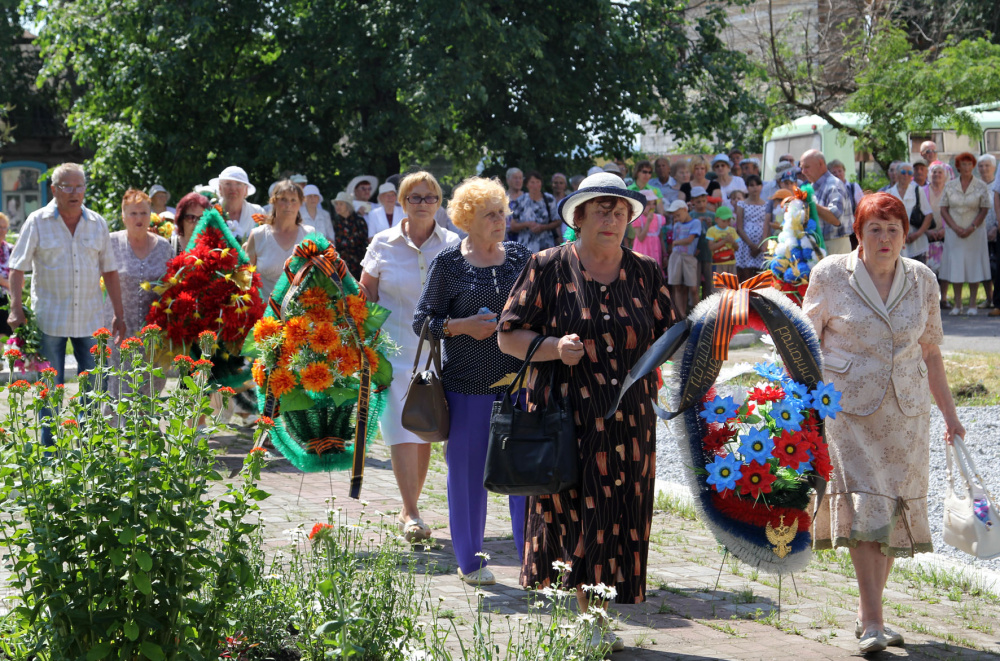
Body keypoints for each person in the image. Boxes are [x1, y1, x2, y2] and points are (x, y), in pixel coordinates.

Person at [497, 172, 674, 653]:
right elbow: (508, 336)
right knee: (575, 511)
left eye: (620, 212)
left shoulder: (645, 271)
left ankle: (597, 614)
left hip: (629, 418)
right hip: (565, 414)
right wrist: (554, 347)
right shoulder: (547, 266)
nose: (611, 220)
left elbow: (670, 336)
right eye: (601, 210)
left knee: (619, 511)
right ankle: (589, 616)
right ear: (578, 217)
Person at [804, 192, 964, 655]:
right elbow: (804, 343)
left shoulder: (923, 279)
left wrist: (951, 416)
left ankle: (868, 614)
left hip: (906, 415)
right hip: (847, 412)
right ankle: (873, 619)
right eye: (874, 228)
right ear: (858, 232)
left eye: (893, 229)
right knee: (864, 509)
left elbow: (931, 353)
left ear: (905, 235)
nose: (885, 238)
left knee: (890, 512)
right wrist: (796, 407)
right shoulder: (830, 274)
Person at [411, 177, 531, 586]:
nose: (500, 220)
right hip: (466, 386)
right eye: (490, 215)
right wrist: (461, 326)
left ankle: (532, 561)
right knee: (466, 478)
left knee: (525, 474)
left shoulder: (520, 257)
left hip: (518, 384)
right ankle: (471, 562)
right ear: (467, 220)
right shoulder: (449, 263)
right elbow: (421, 322)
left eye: (502, 212)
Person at [360, 171, 459, 543]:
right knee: (399, 431)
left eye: (430, 197)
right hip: (391, 352)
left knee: (423, 430)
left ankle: (408, 508)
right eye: (414, 197)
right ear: (401, 202)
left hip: (436, 354)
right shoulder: (382, 242)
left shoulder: (452, 244)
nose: (422, 203)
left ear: (439, 202)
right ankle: (412, 511)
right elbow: (367, 293)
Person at [7, 163, 126, 446]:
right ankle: (50, 452)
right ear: (54, 189)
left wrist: (118, 314)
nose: (75, 192)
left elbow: (110, 270)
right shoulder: (37, 221)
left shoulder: (97, 223)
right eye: (67, 187)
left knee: (95, 384)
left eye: (79, 186)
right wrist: (15, 307)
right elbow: (17, 267)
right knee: (50, 387)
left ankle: (87, 448)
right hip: (50, 319)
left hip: (90, 318)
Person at [104, 189, 172, 402]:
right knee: (119, 389)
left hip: (154, 331)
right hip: (120, 327)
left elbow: (172, 285)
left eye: (143, 213)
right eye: (133, 213)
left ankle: (145, 424)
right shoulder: (111, 242)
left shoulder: (164, 246)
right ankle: (117, 424)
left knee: (151, 388)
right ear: (123, 216)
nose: (138, 218)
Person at [245, 180, 315, 302]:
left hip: (301, 309)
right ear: (274, 201)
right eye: (283, 199)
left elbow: (316, 276)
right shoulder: (258, 235)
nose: (288, 205)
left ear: (300, 203)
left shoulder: (309, 234)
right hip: (265, 309)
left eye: (293, 200)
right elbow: (246, 278)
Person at [939, 152, 991, 316]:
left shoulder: (981, 185)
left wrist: (972, 227)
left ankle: (973, 304)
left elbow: (984, 209)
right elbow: (943, 209)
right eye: (963, 164)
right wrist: (955, 228)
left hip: (975, 233)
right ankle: (958, 304)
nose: (967, 167)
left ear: (973, 166)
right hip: (954, 233)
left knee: (974, 267)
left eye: (969, 164)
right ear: (958, 167)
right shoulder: (949, 186)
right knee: (956, 267)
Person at [800, 150, 850, 255]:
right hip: (820, 244)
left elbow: (835, 219)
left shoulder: (834, 184)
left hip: (834, 244)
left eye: (807, 167)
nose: (803, 172)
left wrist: (810, 204)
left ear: (821, 163)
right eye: (802, 168)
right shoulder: (812, 186)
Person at [888, 163, 932, 264]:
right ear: (897, 174)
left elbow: (928, 214)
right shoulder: (889, 193)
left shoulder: (918, 191)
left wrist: (917, 234)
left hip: (917, 242)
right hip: (896, 241)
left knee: (917, 271)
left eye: (909, 172)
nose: (906, 175)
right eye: (903, 172)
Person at [509, 171, 559, 253]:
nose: (535, 185)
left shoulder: (549, 199)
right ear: (527, 184)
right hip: (525, 246)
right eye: (532, 182)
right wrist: (527, 224)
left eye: (537, 182)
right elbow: (513, 226)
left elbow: (557, 221)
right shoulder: (520, 201)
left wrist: (542, 227)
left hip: (546, 246)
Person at [210, 166, 264, 241]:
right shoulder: (211, 211)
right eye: (228, 184)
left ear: (246, 190)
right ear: (220, 188)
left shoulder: (258, 212)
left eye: (238, 184)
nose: (233, 188)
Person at [667, 198, 701, 318]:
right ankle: (681, 315)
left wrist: (676, 243)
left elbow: (690, 240)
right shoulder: (676, 225)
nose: (676, 218)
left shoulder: (695, 223)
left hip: (688, 257)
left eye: (678, 215)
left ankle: (698, 314)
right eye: (674, 216)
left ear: (685, 210)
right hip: (676, 257)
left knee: (692, 287)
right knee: (677, 286)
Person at [735, 174, 769, 281]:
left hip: (761, 243)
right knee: (746, 276)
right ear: (747, 187)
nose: (755, 188)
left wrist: (760, 245)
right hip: (746, 244)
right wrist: (751, 245)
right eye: (752, 185)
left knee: (760, 276)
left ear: (761, 186)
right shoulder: (741, 204)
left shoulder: (766, 205)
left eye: (758, 185)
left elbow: (767, 226)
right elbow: (739, 228)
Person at [925, 163, 949, 304]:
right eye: (934, 172)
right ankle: (929, 299)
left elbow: (953, 212)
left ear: (945, 176)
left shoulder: (949, 191)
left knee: (945, 267)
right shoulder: (923, 190)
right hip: (927, 234)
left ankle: (944, 298)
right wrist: (926, 230)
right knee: (928, 268)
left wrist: (945, 229)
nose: (937, 175)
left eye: (940, 172)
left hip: (946, 233)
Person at [330, 192, 370, 278]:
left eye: (341, 204)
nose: (337, 206)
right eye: (336, 204)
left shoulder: (359, 220)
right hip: (341, 264)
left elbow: (365, 243)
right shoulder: (335, 222)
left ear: (348, 206)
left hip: (358, 263)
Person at [977, 155, 997, 310]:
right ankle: (989, 298)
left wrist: (996, 227)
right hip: (979, 233)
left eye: (987, 165)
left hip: (996, 231)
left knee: (997, 267)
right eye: (981, 166)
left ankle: (997, 298)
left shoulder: (997, 185)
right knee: (984, 266)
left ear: (994, 167)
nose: (984, 169)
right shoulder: (976, 187)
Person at [689, 186, 715, 300]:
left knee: (709, 280)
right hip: (695, 251)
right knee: (695, 279)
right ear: (693, 201)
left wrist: (710, 225)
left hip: (708, 251)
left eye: (704, 201)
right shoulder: (691, 215)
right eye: (698, 202)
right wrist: (695, 223)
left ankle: (709, 303)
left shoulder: (712, 215)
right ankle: (694, 303)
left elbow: (716, 232)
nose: (702, 204)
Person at [631, 189, 665, 273]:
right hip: (643, 252)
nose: (652, 207)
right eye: (648, 204)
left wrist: (665, 254)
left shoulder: (658, 218)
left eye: (653, 203)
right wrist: (648, 222)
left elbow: (660, 237)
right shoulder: (638, 218)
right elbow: (640, 238)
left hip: (655, 251)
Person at [706, 206, 738, 275]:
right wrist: (724, 241)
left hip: (731, 263)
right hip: (717, 264)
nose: (726, 223)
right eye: (724, 221)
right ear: (716, 219)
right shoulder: (711, 230)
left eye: (728, 220)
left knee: (731, 282)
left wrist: (732, 242)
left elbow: (737, 248)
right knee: (718, 282)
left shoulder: (732, 230)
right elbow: (711, 247)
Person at [0, 213, 13, 336]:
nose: (2, 231)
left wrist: (4, 282)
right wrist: (10, 283)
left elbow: (20, 280)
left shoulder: (11, 249)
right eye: (0, 227)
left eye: (5, 228)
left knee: (5, 335)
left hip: (7, 299)